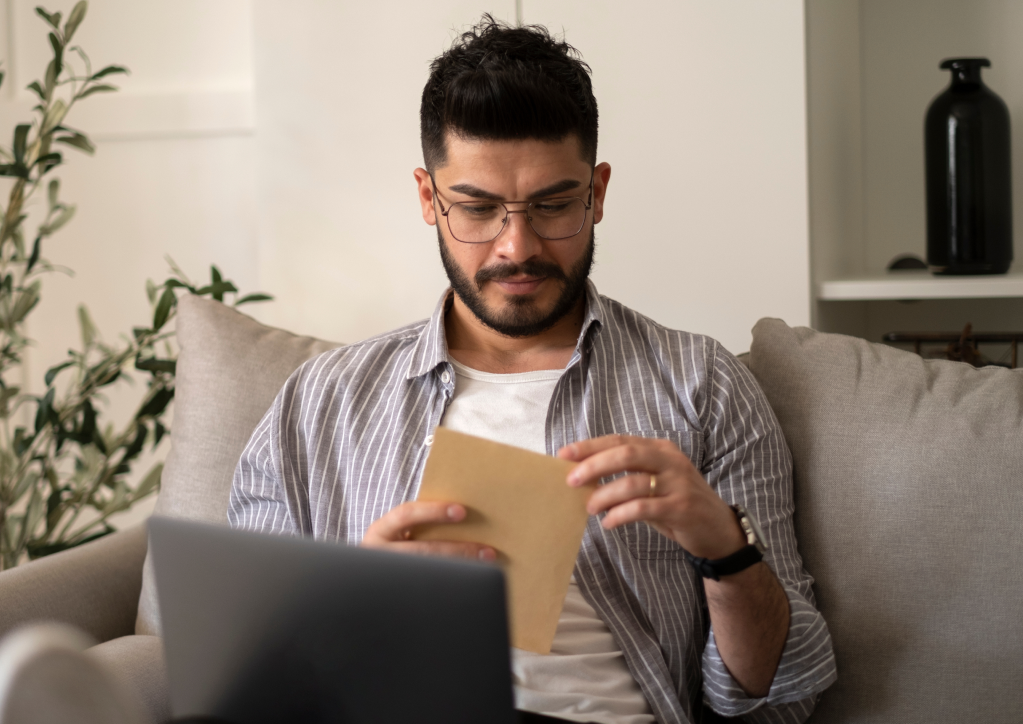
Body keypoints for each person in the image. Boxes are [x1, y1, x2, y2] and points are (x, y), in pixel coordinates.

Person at [230, 16, 836, 724]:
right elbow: (248, 671)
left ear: (597, 193)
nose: (517, 246)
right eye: (478, 210)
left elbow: (779, 699)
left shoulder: (698, 384)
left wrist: (726, 551)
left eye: (552, 206)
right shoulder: (320, 403)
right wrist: (362, 604)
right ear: (429, 199)